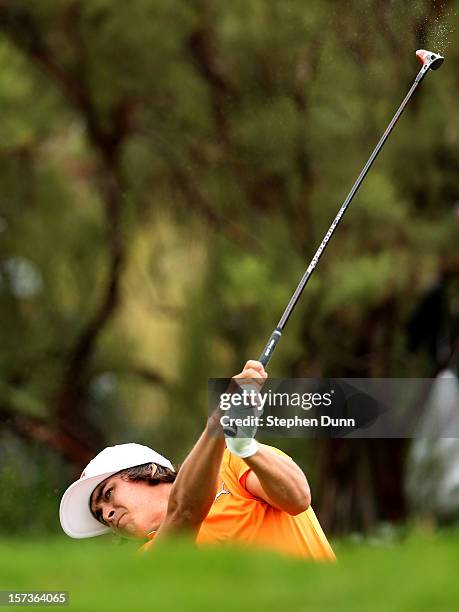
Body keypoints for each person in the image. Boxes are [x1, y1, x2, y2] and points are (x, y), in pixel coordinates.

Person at [59, 360, 335, 560]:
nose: (107, 514)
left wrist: (246, 447)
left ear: (149, 471)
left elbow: (298, 498)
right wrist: (219, 423)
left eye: (108, 493)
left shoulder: (232, 464)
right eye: (100, 514)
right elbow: (185, 510)